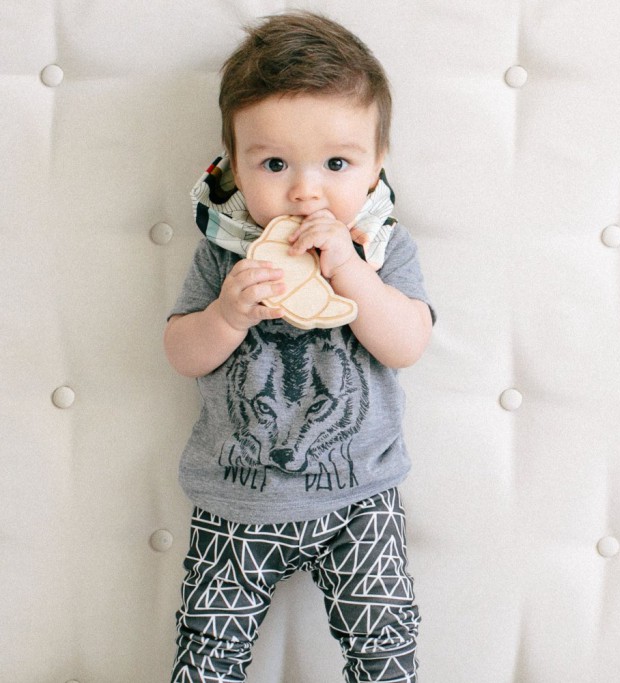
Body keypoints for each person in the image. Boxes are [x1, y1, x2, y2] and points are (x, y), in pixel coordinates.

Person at [164, 11, 433, 682]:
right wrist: (226, 315)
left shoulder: (381, 247)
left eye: (336, 163)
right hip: (236, 497)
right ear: (234, 165)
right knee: (208, 644)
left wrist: (350, 272)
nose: (305, 190)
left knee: (385, 641)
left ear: (375, 166)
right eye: (275, 163)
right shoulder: (225, 253)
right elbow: (181, 352)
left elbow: (407, 343)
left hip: (359, 497)